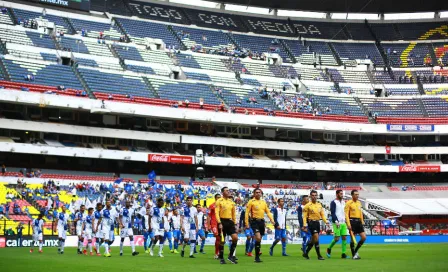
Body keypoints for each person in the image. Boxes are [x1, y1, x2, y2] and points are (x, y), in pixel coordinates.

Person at [245, 188, 275, 263]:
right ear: (254, 194)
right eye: (256, 192)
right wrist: (246, 223)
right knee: (258, 238)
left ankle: (256, 256)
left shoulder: (263, 202)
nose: (258, 193)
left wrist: (272, 220)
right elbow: (247, 212)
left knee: (259, 239)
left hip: (262, 222)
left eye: (259, 192)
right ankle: (256, 256)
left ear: (261, 194)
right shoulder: (251, 202)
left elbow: (268, 212)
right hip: (254, 221)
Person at [302, 190, 329, 260]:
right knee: (316, 237)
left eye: (315, 195)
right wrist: (305, 224)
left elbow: (322, 215)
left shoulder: (319, 205)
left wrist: (326, 222)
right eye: (312, 195)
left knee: (314, 240)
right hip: (311, 223)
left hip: (317, 223)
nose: (314, 197)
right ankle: (319, 256)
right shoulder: (307, 205)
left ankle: (306, 253)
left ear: (317, 196)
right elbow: (304, 216)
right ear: (310, 196)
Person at [215, 187, 238, 264]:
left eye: (229, 190)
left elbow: (234, 214)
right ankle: (221, 258)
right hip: (222, 221)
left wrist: (235, 223)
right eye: (226, 190)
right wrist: (219, 223)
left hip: (230, 221)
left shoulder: (231, 202)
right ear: (222, 192)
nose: (228, 192)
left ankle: (230, 256)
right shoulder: (219, 201)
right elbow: (216, 213)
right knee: (222, 240)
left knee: (235, 238)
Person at [327, 190, 350, 259]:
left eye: (342, 194)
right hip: (337, 223)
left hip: (343, 222)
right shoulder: (333, 202)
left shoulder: (343, 202)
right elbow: (333, 213)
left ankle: (343, 253)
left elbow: (344, 213)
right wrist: (336, 221)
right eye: (340, 194)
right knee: (337, 239)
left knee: (344, 237)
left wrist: (347, 221)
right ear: (337, 194)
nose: (342, 195)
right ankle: (329, 248)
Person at [345, 190, 366, 260]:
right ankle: (354, 255)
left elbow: (360, 212)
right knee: (352, 239)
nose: (357, 196)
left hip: (359, 222)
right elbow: (346, 215)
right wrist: (348, 224)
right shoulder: (348, 203)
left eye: (358, 194)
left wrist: (362, 220)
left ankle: (355, 251)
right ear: (352, 195)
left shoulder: (359, 203)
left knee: (363, 237)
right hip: (352, 222)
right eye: (356, 194)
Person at [207, 193, 221, 259]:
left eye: (220, 197)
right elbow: (209, 216)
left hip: (221, 223)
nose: (219, 198)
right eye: (218, 197)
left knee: (220, 239)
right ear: (215, 198)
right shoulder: (211, 206)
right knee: (217, 237)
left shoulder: (222, 205)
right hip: (214, 224)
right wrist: (208, 226)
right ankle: (216, 253)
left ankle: (219, 252)